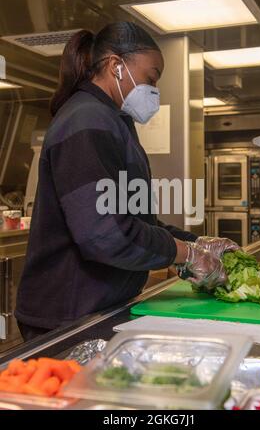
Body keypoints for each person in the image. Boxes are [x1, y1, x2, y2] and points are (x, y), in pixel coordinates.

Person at [15, 22, 238, 341]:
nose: (154, 90)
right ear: (115, 66)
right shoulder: (86, 120)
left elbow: (133, 219)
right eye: (151, 77)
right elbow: (104, 233)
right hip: (67, 315)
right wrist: (185, 254)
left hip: (96, 307)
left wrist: (196, 243)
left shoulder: (112, 121)